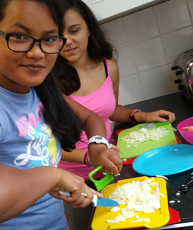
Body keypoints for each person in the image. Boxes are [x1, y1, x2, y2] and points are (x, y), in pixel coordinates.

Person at [0, 0, 123, 229]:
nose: (37, 52)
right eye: (20, 36)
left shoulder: (38, 90)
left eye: (48, 39)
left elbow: (90, 118)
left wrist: (97, 145)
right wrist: (53, 176)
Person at [53, 0, 175, 229]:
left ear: (89, 28)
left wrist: (141, 115)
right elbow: (49, 146)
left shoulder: (109, 67)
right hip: (73, 181)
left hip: (109, 168)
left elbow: (108, 110)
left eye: (74, 30)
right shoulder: (47, 83)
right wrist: (91, 157)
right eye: (58, 35)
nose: (67, 41)